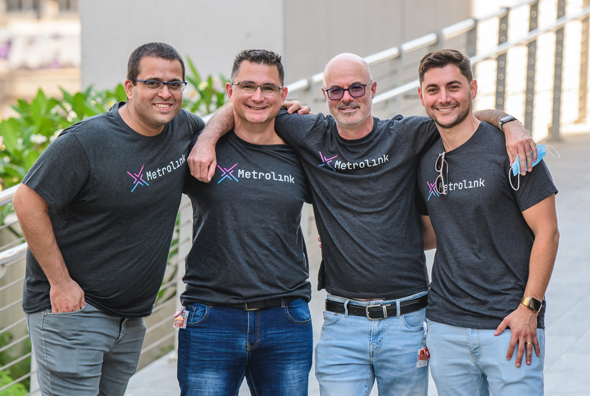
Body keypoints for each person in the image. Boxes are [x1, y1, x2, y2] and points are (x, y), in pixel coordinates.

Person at [189, 52, 537, 396]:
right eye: (336, 91)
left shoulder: (406, 134)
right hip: (342, 325)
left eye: (356, 88)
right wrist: (206, 138)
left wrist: (509, 122)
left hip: (407, 320)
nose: (347, 98)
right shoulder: (306, 132)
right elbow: (243, 105)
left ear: (372, 89)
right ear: (325, 96)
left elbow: (460, 115)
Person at [13, 42, 206, 396]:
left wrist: (280, 115)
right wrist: (60, 282)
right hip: (74, 312)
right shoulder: (86, 142)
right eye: (153, 83)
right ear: (130, 87)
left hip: (129, 319)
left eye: (174, 84)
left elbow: (223, 121)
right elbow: (27, 201)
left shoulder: (182, 128)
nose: (165, 93)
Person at [415, 49, 559, 395]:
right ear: (421, 95)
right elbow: (431, 234)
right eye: (433, 89)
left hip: (511, 327)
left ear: (473, 88)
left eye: (454, 86)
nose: (444, 98)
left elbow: (548, 233)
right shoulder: (424, 157)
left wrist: (530, 308)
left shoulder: (513, 150)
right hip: (446, 326)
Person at [176, 49, 313, 396]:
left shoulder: (302, 149)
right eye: (247, 85)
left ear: (284, 96)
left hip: (286, 317)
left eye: (268, 88)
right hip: (211, 317)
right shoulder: (199, 148)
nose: (257, 96)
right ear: (229, 90)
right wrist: (208, 137)